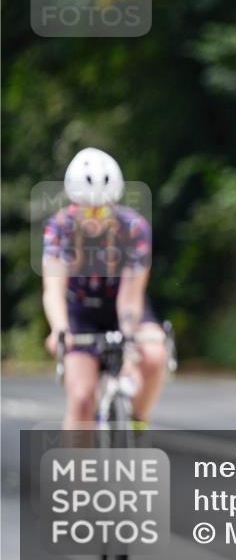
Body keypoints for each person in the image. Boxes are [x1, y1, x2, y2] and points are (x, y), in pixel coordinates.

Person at [42, 147, 167, 430]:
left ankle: (136, 421)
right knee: (82, 398)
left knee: (155, 353)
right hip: (80, 312)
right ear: (73, 202)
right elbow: (52, 289)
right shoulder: (59, 227)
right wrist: (60, 329)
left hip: (121, 304)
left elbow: (131, 295)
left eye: (101, 208)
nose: (95, 217)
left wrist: (130, 340)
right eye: (86, 208)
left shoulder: (133, 227)